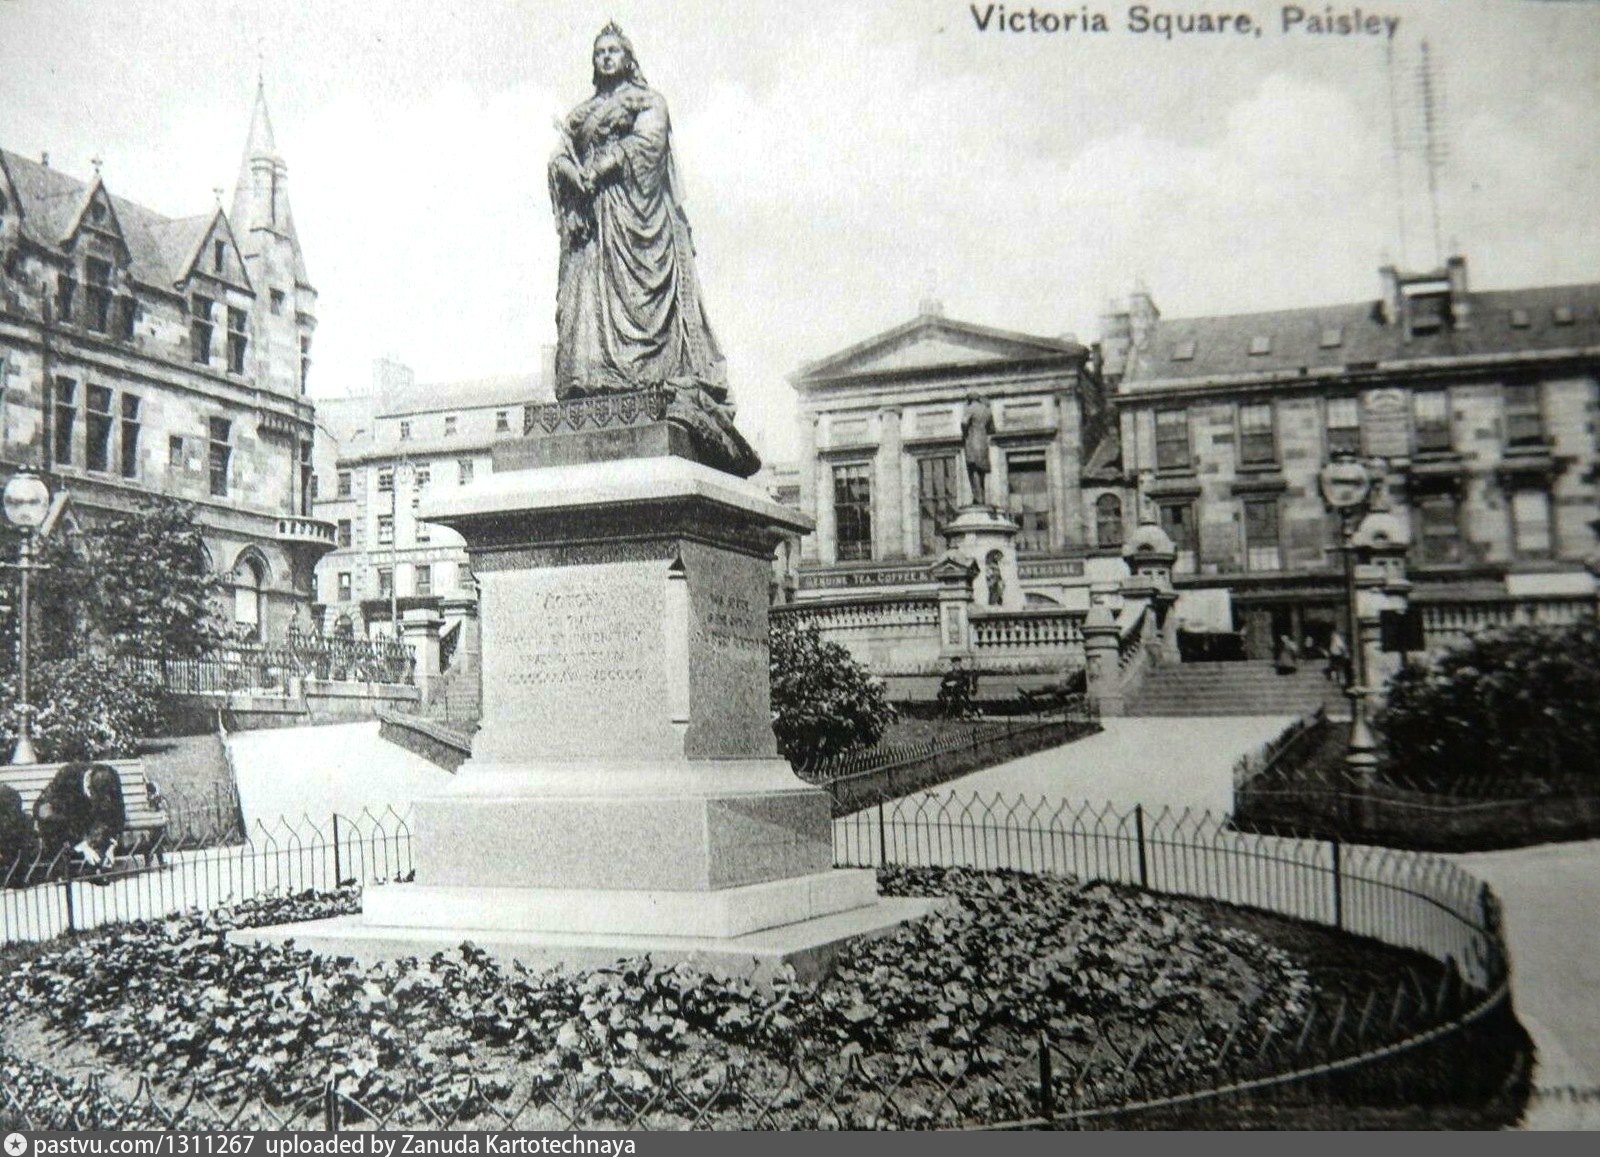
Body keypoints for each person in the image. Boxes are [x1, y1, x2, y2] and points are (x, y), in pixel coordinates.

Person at [548, 24, 724, 398]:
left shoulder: (649, 102)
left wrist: (601, 166)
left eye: (613, 50)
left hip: (634, 212)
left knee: (639, 301)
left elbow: (648, 144)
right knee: (586, 300)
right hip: (593, 222)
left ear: (628, 59)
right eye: (599, 52)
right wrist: (572, 173)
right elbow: (559, 157)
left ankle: (645, 373)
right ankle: (590, 380)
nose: (606, 57)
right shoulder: (581, 114)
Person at [961, 392, 994, 507]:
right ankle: (982, 497)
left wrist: (965, 433)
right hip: (983, 443)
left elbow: (964, 423)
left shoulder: (970, 408)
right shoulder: (987, 410)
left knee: (972, 468)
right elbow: (992, 429)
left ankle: (977, 498)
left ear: (969, 399)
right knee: (981, 471)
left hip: (972, 441)